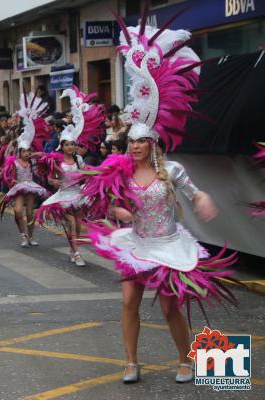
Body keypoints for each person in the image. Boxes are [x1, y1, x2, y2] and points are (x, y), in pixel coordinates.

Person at [84, 14, 235, 384]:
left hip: (167, 245)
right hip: (135, 244)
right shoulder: (118, 171)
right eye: (130, 142)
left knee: (170, 307)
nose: (134, 148)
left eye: (140, 142)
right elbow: (104, 201)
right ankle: (131, 361)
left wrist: (201, 200)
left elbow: (193, 190)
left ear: (152, 143)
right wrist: (116, 212)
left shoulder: (173, 170)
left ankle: (186, 360)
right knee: (127, 302)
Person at [36, 86, 104, 266]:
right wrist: (55, 181)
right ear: (62, 146)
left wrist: (96, 174)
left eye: (73, 144)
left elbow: (86, 173)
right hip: (64, 196)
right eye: (67, 145)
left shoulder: (79, 159)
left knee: (77, 224)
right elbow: (50, 178)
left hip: (78, 195)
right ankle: (77, 253)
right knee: (72, 223)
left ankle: (74, 250)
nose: (71, 147)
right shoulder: (57, 161)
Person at [0, 93, 51, 247]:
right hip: (19, 187)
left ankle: (30, 235)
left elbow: (45, 159)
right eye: (24, 151)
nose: (26, 153)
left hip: (31, 186)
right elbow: (10, 177)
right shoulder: (14, 162)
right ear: (19, 152)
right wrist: (13, 181)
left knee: (30, 212)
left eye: (28, 151)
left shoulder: (32, 161)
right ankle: (22, 234)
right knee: (17, 211)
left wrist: (36, 155)